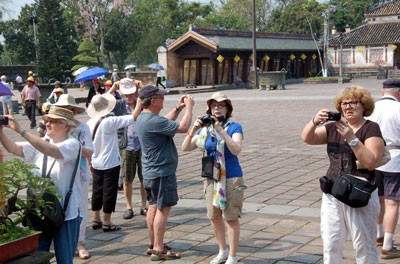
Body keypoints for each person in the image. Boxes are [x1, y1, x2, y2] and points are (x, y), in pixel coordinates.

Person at [301, 85, 385, 263]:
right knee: (331, 244)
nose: (348, 107)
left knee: (364, 246)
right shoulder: (333, 127)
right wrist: (314, 121)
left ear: (364, 106)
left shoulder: (371, 128)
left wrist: (351, 138)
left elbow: (371, 162)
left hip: (360, 195)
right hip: (333, 192)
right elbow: (307, 138)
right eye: (344, 104)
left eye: (353, 103)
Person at [0, 106, 83, 264]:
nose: (48, 124)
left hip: (66, 212)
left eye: (52, 121)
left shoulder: (73, 145)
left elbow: (52, 151)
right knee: (38, 256)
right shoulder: (42, 142)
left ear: (66, 125)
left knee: (65, 260)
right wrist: (1, 132)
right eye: (46, 121)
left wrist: (22, 131)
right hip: (41, 210)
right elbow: (14, 149)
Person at [182, 92, 244, 264]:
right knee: (214, 216)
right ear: (209, 109)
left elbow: (236, 149)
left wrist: (221, 130)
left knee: (230, 218)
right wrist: (193, 129)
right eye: (214, 105)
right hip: (211, 178)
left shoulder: (234, 127)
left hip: (231, 178)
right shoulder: (204, 130)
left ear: (227, 109)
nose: (217, 108)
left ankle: (233, 256)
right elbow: (185, 147)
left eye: (221, 105)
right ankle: (222, 251)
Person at [136, 85, 194, 261]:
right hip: (161, 172)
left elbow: (166, 122)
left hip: (151, 172)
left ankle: (153, 244)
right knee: (163, 208)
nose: (163, 100)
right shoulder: (153, 121)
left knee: (153, 206)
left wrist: (177, 108)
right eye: (161, 97)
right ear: (153, 100)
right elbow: (183, 127)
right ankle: (159, 249)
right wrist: (189, 108)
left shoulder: (144, 118)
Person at [87, 92, 141, 232]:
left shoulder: (90, 122)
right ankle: (107, 221)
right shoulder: (109, 122)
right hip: (110, 162)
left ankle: (96, 218)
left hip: (95, 161)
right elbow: (133, 117)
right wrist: (140, 100)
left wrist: (89, 162)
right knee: (109, 192)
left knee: (97, 191)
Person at [53, 94, 94, 259]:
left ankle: (79, 242)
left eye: (69, 110)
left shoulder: (83, 128)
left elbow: (90, 151)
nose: (66, 113)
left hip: (79, 173)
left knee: (80, 207)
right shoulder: (52, 126)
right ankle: (58, 239)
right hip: (57, 171)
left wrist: (74, 147)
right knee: (56, 205)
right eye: (63, 110)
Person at [368, 79, 400, 259]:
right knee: (392, 202)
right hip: (395, 159)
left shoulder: (371, 109)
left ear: (382, 92)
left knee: (378, 199)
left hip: (373, 158)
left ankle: (378, 235)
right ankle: (388, 245)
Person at [110, 78, 147, 219]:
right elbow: (102, 103)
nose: (129, 97)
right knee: (127, 178)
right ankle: (129, 206)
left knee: (145, 178)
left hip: (142, 144)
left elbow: (151, 96)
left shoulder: (142, 103)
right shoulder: (118, 105)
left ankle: (144, 205)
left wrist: (141, 86)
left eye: (131, 94)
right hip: (126, 145)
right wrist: (113, 88)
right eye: (126, 94)